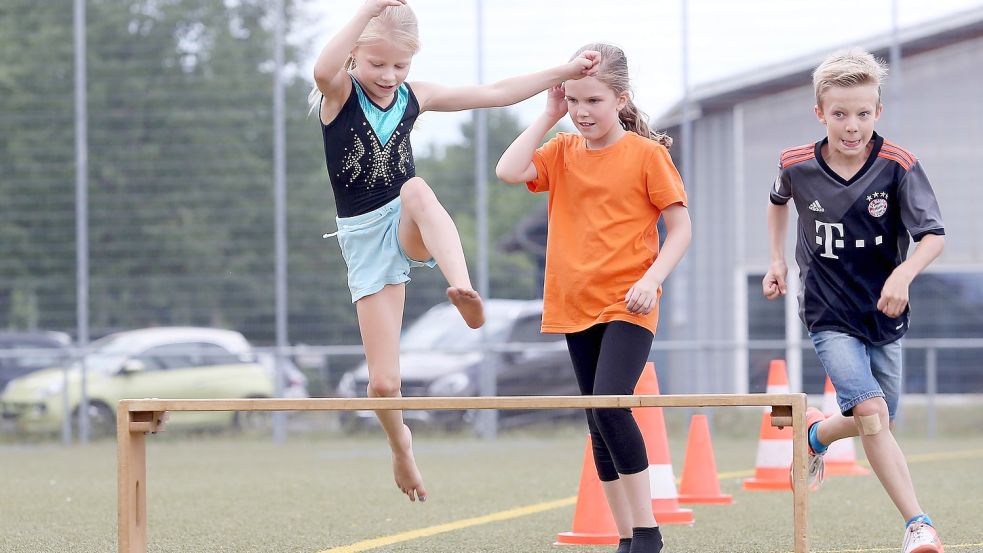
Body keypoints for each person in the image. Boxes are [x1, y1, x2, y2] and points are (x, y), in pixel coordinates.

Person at [310, 0, 599, 503]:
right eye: (378, 64)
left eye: (401, 66)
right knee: (383, 383)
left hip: (407, 221)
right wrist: (370, 8)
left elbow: (496, 93)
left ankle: (462, 286)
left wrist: (566, 70)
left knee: (416, 188)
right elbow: (321, 67)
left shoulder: (413, 97)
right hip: (363, 237)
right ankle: (402, 446)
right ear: (355, 55)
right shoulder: (338, 94)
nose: (389, 76)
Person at [496, 43, 691, 553]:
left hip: (629, 304)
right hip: (572, 304)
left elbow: (681, 229)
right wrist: (547, 115)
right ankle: (627, 536)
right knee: (596, 419)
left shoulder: (649, 156)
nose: (582, 112)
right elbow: (509, 171)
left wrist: (652, 279)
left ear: (620, 100)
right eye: (575, 100)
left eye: (594, 101)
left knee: (611, 406)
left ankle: (648, 533)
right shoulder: (560, 152)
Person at [763, 48, 945, 553]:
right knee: (870, 413)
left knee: (880, 418)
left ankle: (815, 436)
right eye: (839, 114)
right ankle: (918, 525)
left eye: (863, 114)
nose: (851, 125)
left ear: (877, 113)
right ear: (819, 112)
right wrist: (776, 261)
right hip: (827, 312)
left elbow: (933, 236)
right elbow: (778, 203)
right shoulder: (795, 165)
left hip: (885, 312)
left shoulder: (898, 166)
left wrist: (904, 274)